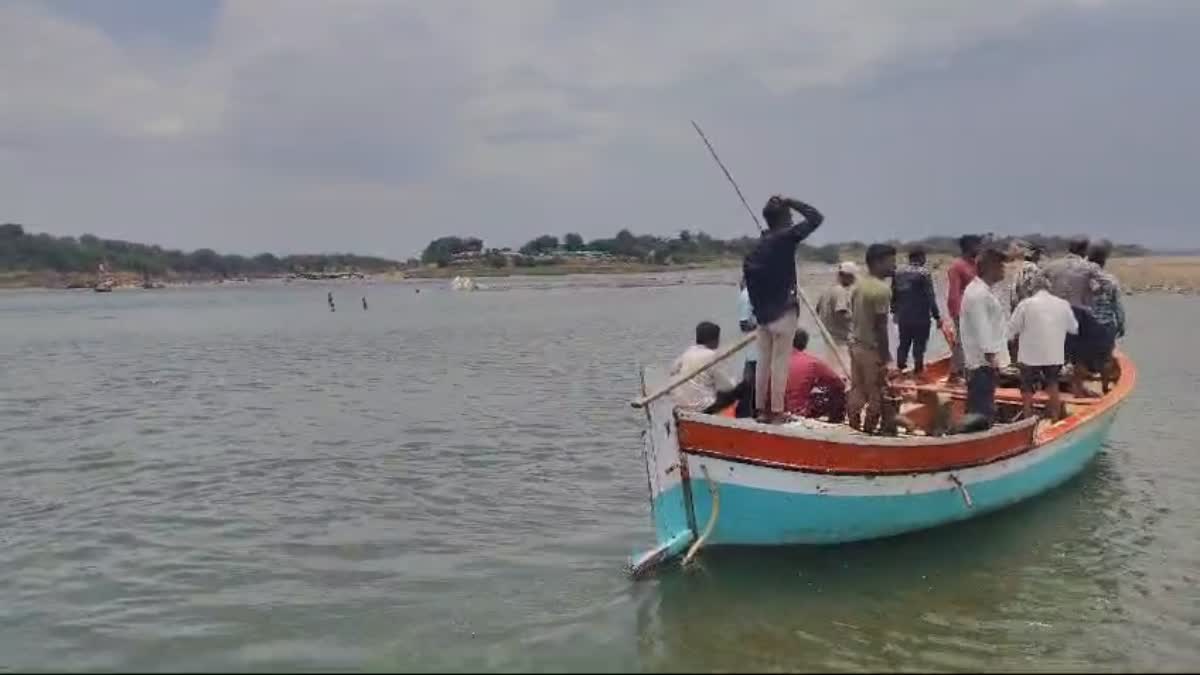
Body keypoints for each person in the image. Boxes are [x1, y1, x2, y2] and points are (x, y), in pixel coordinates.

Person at [743, 195, 825, 424]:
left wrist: (760, 312)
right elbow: (816, 218)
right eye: (788, 216)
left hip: (763, 317)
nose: (791, 220)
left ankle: (760, 410)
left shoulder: (756, 248)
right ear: (784, 219)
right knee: (780, 363)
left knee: (763, 364)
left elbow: (750, 284)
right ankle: (777, 411)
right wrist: (792, 201)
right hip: (783, 313)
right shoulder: (785, 237)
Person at [1008, 274, 1078, 421]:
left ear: (1032, 289)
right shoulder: (1063, 304)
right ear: (1049, 288)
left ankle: (1027, 418)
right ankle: (1055, 417)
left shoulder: (1025, 304)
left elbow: (1012, 329)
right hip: (1054, 354)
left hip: (1029, 355)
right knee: (1052, 383)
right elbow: (1074, 329)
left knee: (1026, 387)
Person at [1044, 237, 1105, 397]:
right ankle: (1077, 388)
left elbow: (1038, 282)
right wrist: (1092, 293)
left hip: (1053, 312)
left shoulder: (1052, 265)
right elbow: (1106, 284)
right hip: (1077, 312)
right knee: (1081, 354)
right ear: (1085, 250)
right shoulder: (1088, 267)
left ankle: (1052, 391)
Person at [847, 244, 897, 434]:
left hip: (856, 346)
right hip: (871, 349)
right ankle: (868, 432)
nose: (893, 266)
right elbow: (881, 326)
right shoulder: (881, 290)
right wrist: (887, 358)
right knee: (876, 395)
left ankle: (852, 427)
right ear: (877, 263)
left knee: (857, 389)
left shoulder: (857, 286)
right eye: (890, 262)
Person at [958, 247, 1010, 428]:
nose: (1004, 269)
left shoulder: (981, 291)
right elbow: (982, 329)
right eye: (1001, 265)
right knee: (980, 413)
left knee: (979, 409)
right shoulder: (979, 293)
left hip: (982, 364)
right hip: (982, 364)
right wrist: (992, 357)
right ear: (990, 267)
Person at [669, 322, 746, 414]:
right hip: (703, 407)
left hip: (681, 404)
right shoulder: (713, 356)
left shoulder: (687, 353)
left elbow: (672, 373)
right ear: (715, 340)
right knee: (743, 387)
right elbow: (727, 387)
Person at [891, 247, 943, 378]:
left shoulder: (898, 273)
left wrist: (894, 311)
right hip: (921, 316)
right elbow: (930, 296)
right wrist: (937, 316)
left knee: (903, 343)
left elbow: (893, 294)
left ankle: (900, 369)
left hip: (904, 316)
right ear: (921, 258)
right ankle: (918, 371)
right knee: (919, 345)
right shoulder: (923, 273)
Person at [1087, 240, 1126, 394]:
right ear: (1104, 261)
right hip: (1105, 325)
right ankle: (1104, 386)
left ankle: (1078, 385)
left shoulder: (1084, 279)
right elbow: (1117, 306)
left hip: (1086, 323)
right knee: (1107, 358)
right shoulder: (1111, 280)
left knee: (1080, 357)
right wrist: (1121, 324)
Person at [784, 329, 847, 422]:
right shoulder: (812, 362)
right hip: (799, 410)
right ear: (805, 344)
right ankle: (835, 421)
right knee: (838, 391)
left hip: (775, 408)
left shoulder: (777, 358)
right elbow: (839, 383)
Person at [947, 235, 983, 383]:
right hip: (962, 310)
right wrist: (956, 314)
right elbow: (954, 293)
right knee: (962, 343)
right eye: (977, 246)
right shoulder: (957, 266)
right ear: (969, 247)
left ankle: (971, 372)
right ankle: (955, 374)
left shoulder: (976, 265)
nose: (979, 249)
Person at [815, 262, 856, 367]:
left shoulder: (826, 290)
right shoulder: (840, 292)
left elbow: (817, 310)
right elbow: (841, 313)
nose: (853, 280)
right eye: (852, 277)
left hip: (828, 339)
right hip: (841, 341)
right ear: (845, 276)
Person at [735, 279, 759, 418]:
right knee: (751, 385)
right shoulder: (748, 294)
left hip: (758, 350)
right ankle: (745, 414)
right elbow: (744, 324)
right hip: (755, 350)